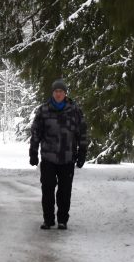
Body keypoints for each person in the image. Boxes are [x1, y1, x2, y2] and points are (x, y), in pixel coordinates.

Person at [29, 79, 89, 230]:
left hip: (68, 157)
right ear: (52, 93)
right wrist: (33, 152)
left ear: (65, 93)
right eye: (56, 91)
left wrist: (82, 152)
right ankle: (48, 219)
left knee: (65, 190)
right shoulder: (43, 110)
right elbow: (36, 132)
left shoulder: (75, 110)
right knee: (47, 188)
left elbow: (82, 133)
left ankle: (62, 219)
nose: (58, 94)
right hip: (48, 157)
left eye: (61, 91)